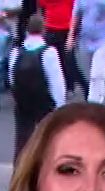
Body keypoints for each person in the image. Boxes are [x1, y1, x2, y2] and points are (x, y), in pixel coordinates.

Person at [8, 14, 67, 158]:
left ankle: (21, 166)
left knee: (23, 137)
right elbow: (56, 82)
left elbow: (11, 77)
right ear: (43, 30)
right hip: (43, 101)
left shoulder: (16, 52)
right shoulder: (49, 52)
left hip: (23, 100)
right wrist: (60, 105)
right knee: (47, 136)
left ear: (27, 30)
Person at [70, 0, 105, 103]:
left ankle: (93, 102)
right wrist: (71, 36)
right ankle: (101, 91)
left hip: (104, 39)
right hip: (86, 40)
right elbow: (76, 16)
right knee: (90, 73)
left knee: (97, 73)